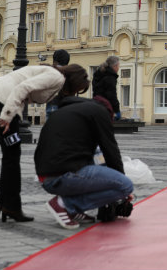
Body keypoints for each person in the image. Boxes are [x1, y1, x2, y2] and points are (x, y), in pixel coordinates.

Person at [0, 63, 90, 223]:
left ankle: (5, 202)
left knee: (10, 154)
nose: (75, 92)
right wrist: (7, 115)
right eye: (78, 89)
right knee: (12, 155)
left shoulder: (54, 75)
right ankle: (11, 206)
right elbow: (23, 87)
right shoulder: (57, 77)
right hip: (1, 102)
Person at [35, 90, 134, 229]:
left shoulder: (71, 111)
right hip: (62, 175)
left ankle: (73, 210)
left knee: (99, 175)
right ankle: (65, 205)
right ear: (109, 113)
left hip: (46, 176)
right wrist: (123, 186)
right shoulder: (99, 112)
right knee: (125, 185)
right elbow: (110, 150)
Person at [91, 56, 122, 121]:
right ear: (115, 66)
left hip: (96, 104)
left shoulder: (98, 73)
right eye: (118, 66)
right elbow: (112, 95)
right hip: (106, 107)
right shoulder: (110, 77)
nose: (118, 68)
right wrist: (117, 110)